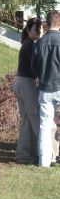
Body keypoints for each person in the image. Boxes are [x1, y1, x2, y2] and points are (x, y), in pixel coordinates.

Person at [31, 10, 60, 167]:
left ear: (47, 24)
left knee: (44, 125)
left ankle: (44, 162)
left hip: (45, 88)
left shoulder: (39, 43)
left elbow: (33, 67)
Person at [12, 18, 43, 165]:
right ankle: (41, 153)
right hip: (26, 83)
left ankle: (23, 155)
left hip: (19, 82)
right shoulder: (31, 45)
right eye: (37, 29)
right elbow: (36, 67)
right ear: (30, 30)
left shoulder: (26, 43)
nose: (39, 32)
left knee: (27, 120)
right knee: (36, 119)